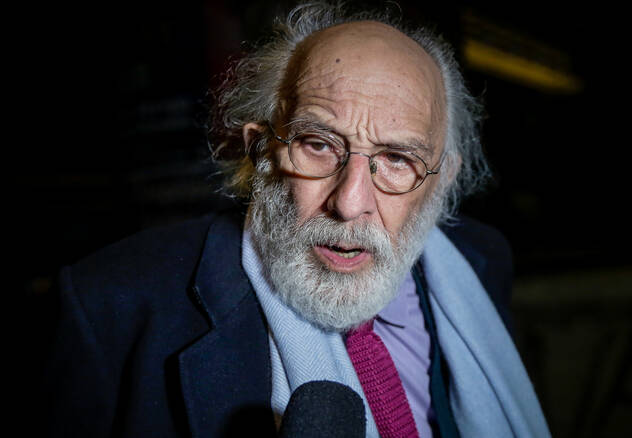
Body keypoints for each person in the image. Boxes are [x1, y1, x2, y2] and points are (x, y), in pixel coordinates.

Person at [43, 2, 550, 437]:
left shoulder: (482, 261)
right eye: (318, 144)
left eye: (398, 159)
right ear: (261, 149)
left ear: (441, 180)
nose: (349, 203)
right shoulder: (111, 307)